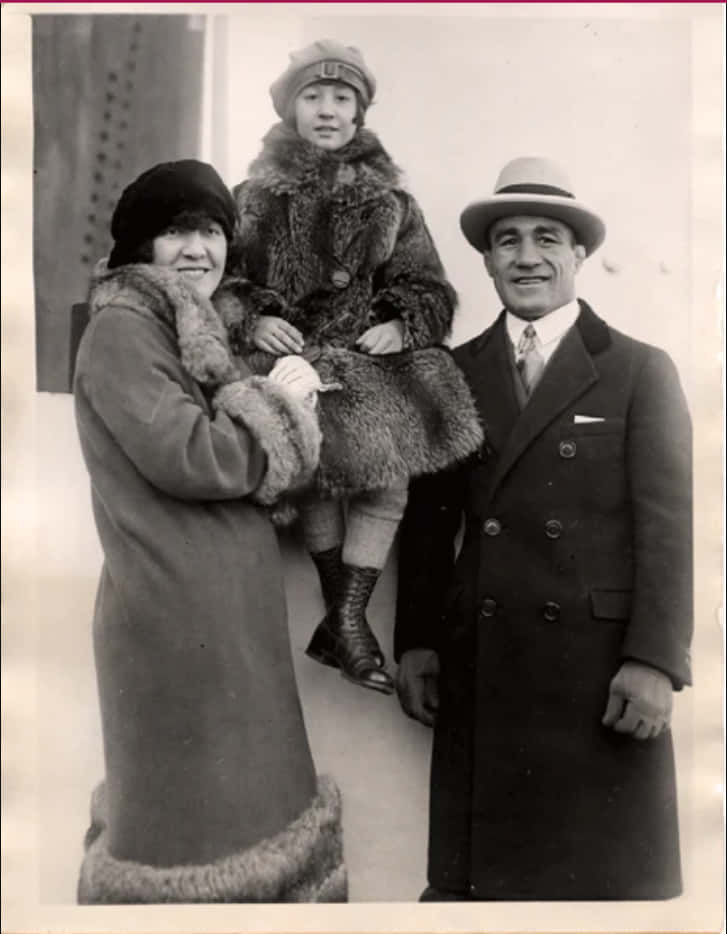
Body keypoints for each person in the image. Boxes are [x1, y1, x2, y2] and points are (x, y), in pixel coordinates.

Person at [395, 156, 693, 901]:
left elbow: (667, 530)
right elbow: (428, 530)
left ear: (578, 254)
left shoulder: (637, 369)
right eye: (507, 241)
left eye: (546, 238)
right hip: (482, 667)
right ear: (487, 260)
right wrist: (417, 642)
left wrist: (654, 662)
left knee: (600, 895)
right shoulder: (449, 373)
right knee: (485, 899)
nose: (526, 257)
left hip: (599, 677)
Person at [74, 159, 347, 903]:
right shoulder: (124, 329)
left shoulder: (175, 324)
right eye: (175, 231)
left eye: (212, 231)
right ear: (139, 246)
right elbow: (194, 455)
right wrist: (282, 404)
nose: (198, 249)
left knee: (240, 831)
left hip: (206, 623)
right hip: (177, 625)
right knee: (201, 848)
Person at [216, 40, 483, 696]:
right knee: (318, 469)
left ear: (360, 113)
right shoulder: (250, 197)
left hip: (364, 358)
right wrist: (250, 318)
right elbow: (220, 279)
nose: (328, 110)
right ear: (289, 108)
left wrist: (402, 320)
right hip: (289, 360)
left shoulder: (391, 202)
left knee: (390, 475)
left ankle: (344, 618)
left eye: (342, 98)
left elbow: (425, 282)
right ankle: (347, 623)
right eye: (313, 96)